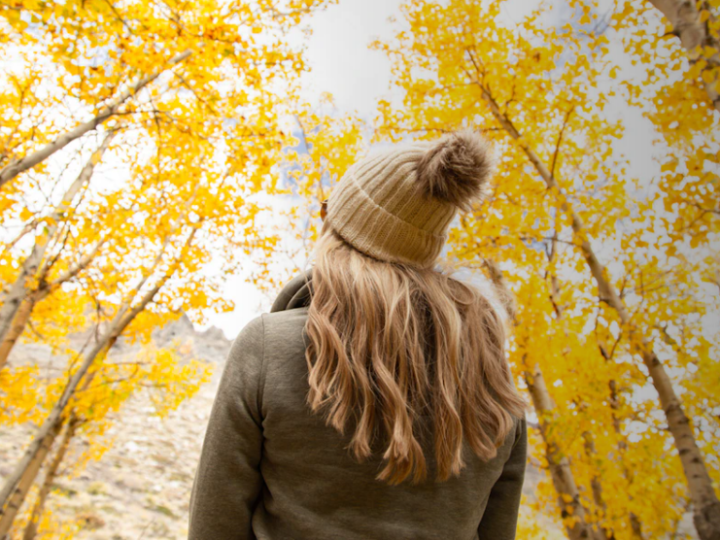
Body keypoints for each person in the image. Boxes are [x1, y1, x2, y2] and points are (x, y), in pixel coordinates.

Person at [188, 131, 528, 540]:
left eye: (327, 210)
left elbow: (214, 526)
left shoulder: (268, 348)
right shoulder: (494, 381)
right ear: (423, 251)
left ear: (338, 226)